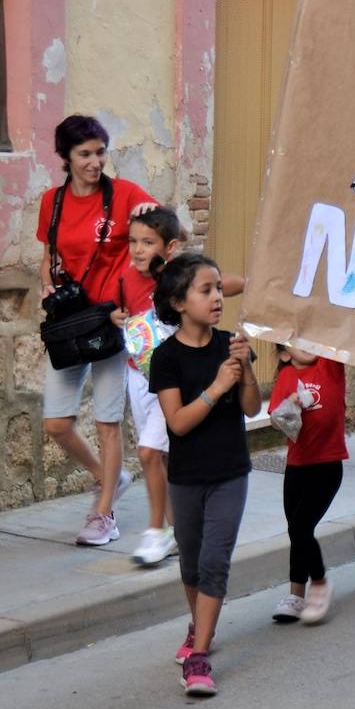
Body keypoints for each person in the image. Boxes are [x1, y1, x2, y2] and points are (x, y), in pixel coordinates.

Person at [37, 114, 157, 545]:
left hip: (111, 321)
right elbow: (49, 253)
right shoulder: (52, 201)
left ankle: (103, 513)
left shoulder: (124, 194)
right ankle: (108, 476)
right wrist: (48, 284)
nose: (94, 161)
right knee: (56, 423)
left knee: (108, 420)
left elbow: (163, 229)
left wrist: (149, 213)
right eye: (84, 154)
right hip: (71, 323)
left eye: (100, 152)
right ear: (66, 157)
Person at [149, 253, 261, 697]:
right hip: (186, 477)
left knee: (215, 562)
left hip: (231, 472)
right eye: (206, 290)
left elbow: (252, 408)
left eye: (219, 288)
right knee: (192, 565)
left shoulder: (230, 346)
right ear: (179, 302)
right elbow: (177, 422)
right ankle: (200, 625)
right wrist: (216, 387)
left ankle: (199, 655)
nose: (217, 297)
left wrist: (246, 368)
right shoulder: (166, 358)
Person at [121, 208, 245, 566]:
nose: (139, 250)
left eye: (148, 243)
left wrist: (232, 286)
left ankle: (155, 532)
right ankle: (181, 533)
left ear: (169, 247)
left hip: (177, 373)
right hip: (142, 377)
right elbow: (119, 306)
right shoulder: (127, 277)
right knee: (159, 456)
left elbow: (227, 283)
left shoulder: (177, 277)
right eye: (133, 242)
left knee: (147, 452)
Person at [268, 346, 348, 626]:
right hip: (296, 466)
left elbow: (334, 336)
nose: (309, 344)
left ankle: (320, 581)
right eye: (298, 341)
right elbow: (276, 418)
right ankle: (295, 595)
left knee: (301, 526)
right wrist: (290, 406)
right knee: (296, 530)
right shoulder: (286, 376)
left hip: (327, 465)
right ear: (285, 354)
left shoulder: (329, 365)